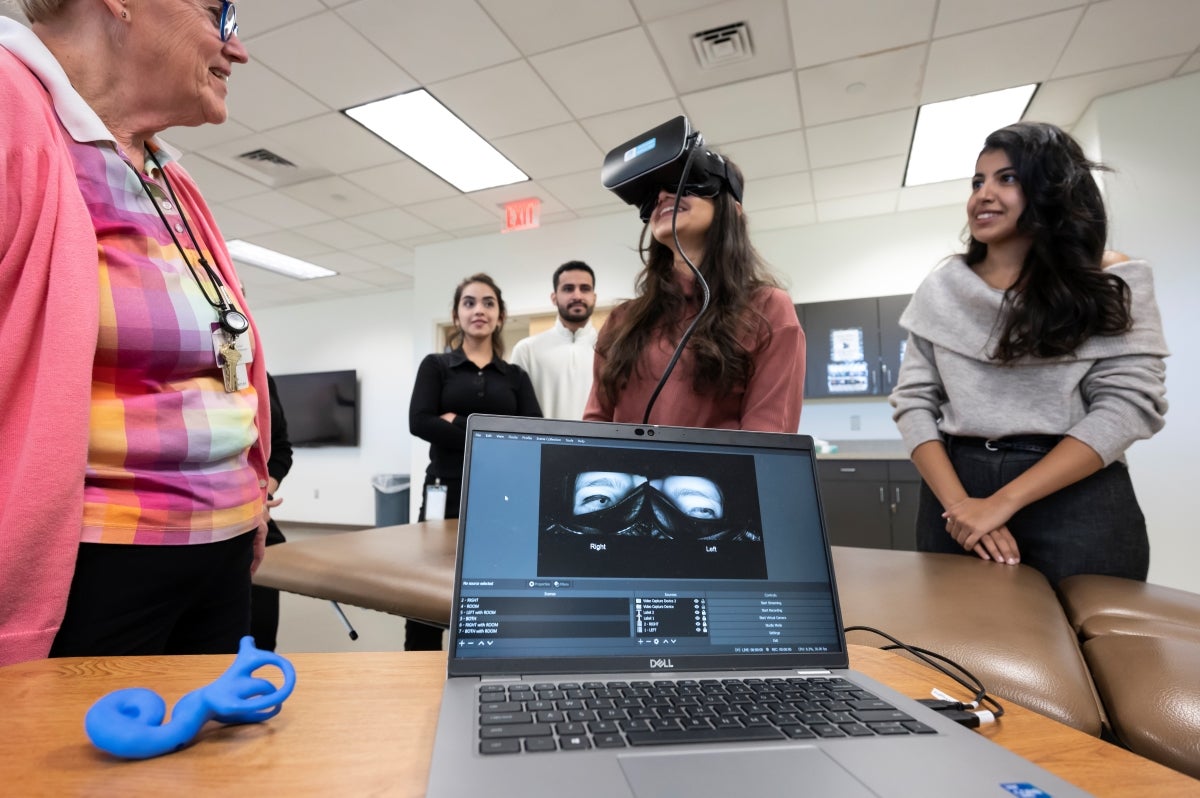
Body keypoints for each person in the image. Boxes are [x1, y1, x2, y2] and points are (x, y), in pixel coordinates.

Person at [1, 1, 269, 665]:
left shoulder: (169, 176)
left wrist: (254, 490)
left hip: (223, 548)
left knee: (212, 767)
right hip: (97, 568)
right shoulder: (11, 107)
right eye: (219, 12)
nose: (237, 50)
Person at [889, 122, 1169, 586]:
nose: (984, 194)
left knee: (1084, 648)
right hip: (955, 489)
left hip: (1075, 493)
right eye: (978, 181)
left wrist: (1000, 503)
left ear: (1052, 189)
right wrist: (961, 507)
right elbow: (913, 402)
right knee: (960, 644)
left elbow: (1128, 407)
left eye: (1008, 178)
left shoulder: (1111, 279)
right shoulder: (941, 288)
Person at [582, 153, 805, 431]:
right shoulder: (622, 321)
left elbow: (768, 440)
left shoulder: (768, 308)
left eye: (681, 183)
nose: (663, 195)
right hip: (627, 475)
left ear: (732, 209)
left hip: (722, 475)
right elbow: (595, 425)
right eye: (654, 194)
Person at [408, 273, 542, 649]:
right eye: (469, 302)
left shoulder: (515, 376)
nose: (478, 310)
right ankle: (419, 660)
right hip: (443, 489)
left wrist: (458, 422)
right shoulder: (436, 366)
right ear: (456, 315)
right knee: (427, 584)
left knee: (492, 584)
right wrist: (494, 430)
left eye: (488, 303)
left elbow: (531, 433)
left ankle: (484, 657)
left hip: (500, 496)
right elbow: (419, 422)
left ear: (500, 316)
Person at [510, 261, 599, 420]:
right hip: (542, 444)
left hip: (599, 444)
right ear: (554, 297)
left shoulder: (613, 349)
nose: (577, 295)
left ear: (594, 297)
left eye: (585, 289)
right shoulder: (526, 350)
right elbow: (517, 413)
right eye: (568, 289)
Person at [250, 374, 293, 652]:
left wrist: (262, 493)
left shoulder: (263, 378)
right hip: (200, 533)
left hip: (258, 530)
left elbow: (280, 450)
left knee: (261, 643)